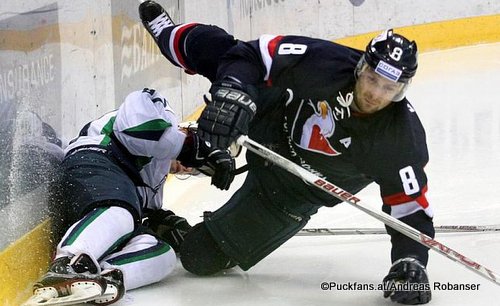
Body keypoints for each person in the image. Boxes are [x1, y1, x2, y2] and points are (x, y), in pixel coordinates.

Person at [139, 1, 435, 304]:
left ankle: (169, 227)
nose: (375, 94)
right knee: (226, 58)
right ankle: (171, 36)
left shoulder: (401, 140)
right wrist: (235, 89)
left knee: (198, 258)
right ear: (361, 67)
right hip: (271, 116)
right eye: (372, 79)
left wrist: (409, 262)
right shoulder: (328, 62)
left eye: (388, 88)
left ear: (402, 89)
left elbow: (409, 209)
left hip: (292, 192)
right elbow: (253, 55)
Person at [24, 88, 235, 305]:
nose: (186, 168)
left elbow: (143, 221)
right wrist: (189, 147)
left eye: (191, 171)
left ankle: (99, 280)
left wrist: (170, 229)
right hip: (92, 162)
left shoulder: (150, 191)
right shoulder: (160, 109)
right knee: (122, 214)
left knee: (162, 254)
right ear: (185, 130)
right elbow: (138, 128)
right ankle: (66, 264)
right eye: (193, 164)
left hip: (100, 212)